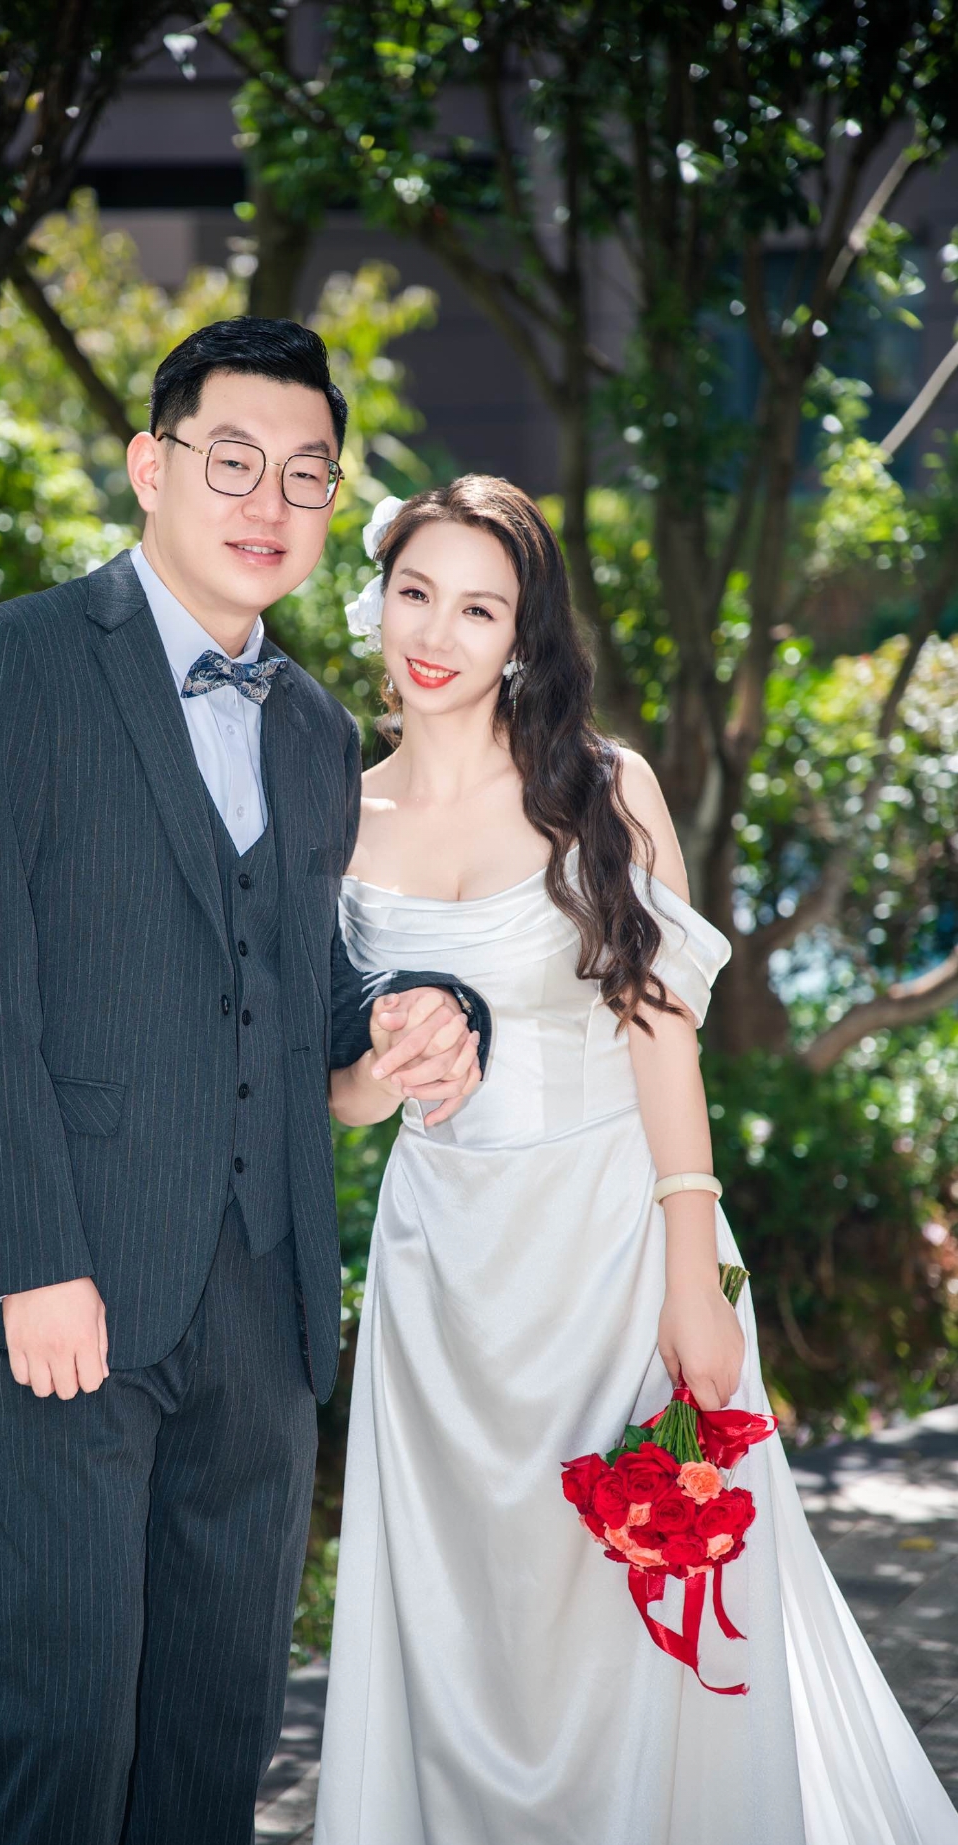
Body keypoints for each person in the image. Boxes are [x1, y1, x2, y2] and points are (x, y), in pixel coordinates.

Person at [0, 318, 490, 1845]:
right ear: (151, 466)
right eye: (233, 459)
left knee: (218, 1739)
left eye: (307, 473)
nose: (268, 501)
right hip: (62, 1286)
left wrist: (417, 1014)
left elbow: (305, 979)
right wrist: (36, 1262)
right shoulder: (9, 664)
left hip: (261, 1301)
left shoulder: (316, 730)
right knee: (67, 1729)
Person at [314, 476, 958, 1845]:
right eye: (417, 593)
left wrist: (695, 1277)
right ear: (377, 600)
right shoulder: (336, 815)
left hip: (615, 1243)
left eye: (479, 608)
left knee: (633, 1616)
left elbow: (664, 1041)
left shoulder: (602, 790)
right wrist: (379, 1073)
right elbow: (337, 1097)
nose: (436, 633)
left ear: (524, 635)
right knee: (464, 1617)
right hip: (440, 1272)